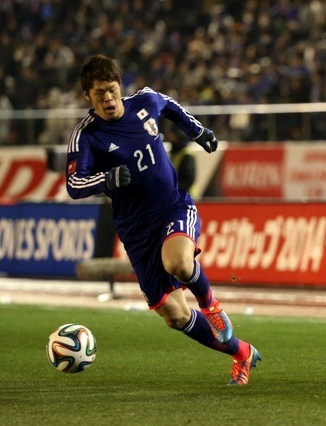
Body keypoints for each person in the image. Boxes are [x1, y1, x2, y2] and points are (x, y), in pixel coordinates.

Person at [65, 55, 260, 385]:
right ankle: (241, 352)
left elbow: (169, 105)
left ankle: (211, 305)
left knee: (179, 264)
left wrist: (197, 132)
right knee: (175, 316)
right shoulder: (87, 136)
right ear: (88, 96)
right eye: (99, 94)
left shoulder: (144, 101)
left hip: (172, 207)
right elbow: (74, 183)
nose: (108, 99)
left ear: (119, 86)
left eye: (112, 90)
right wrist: (106, 179)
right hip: (136, 230)